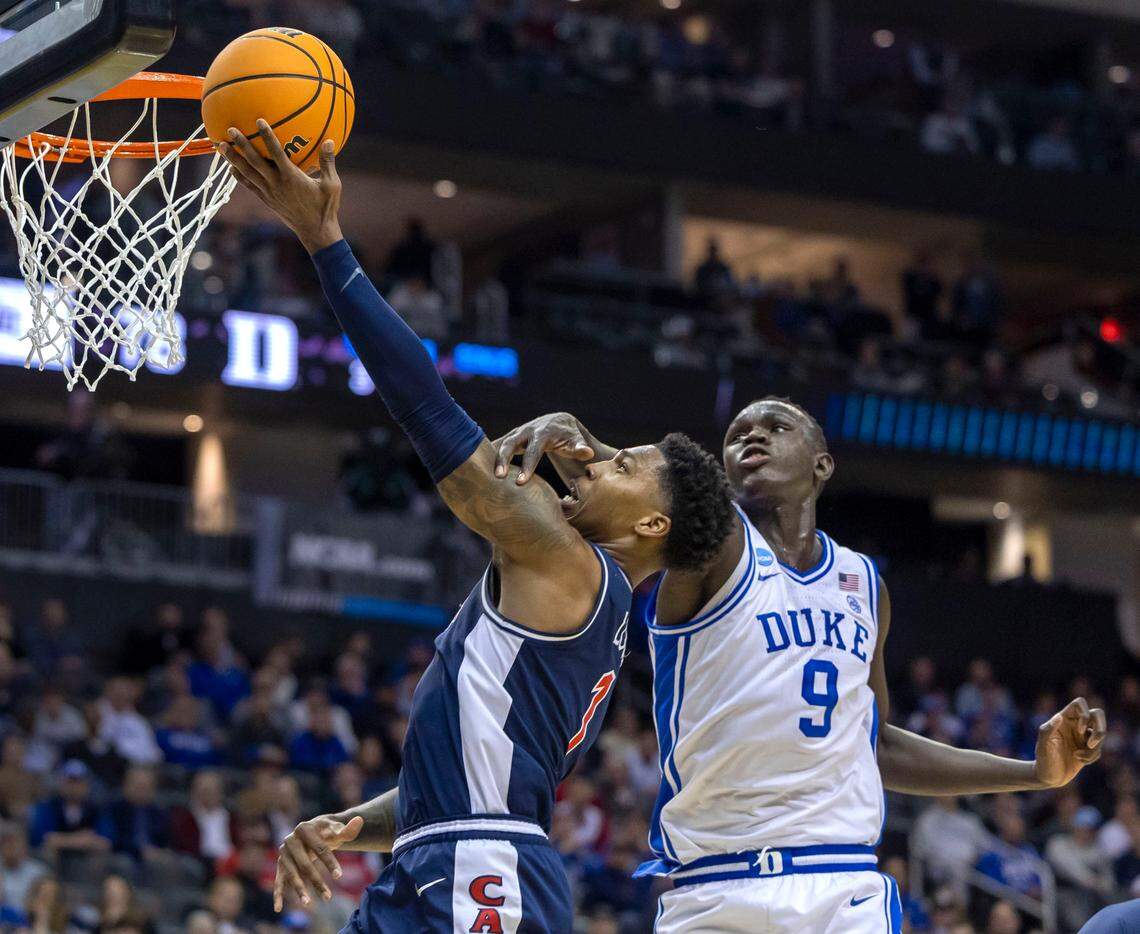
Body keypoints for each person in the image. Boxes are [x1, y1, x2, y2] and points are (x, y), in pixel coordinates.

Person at [218, 122, 733, 933]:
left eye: (622, 465)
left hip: (476, 876)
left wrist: (327, 245)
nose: (595, 460)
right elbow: (463, 783)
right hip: (450, 855)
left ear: (652, 521)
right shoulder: (590, 606)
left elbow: (427, 409)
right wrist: (350, 827)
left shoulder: (569, 565)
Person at [500, 400, 1107, 932]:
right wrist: (589, 446)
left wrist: (1035, 775)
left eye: (776, 426)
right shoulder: (711, 551)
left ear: (822, 463)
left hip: (839, 885)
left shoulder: (865, 584)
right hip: (717, 887)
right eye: (738, 432)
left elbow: (873, 745)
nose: (752, 435)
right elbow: (656, 490)